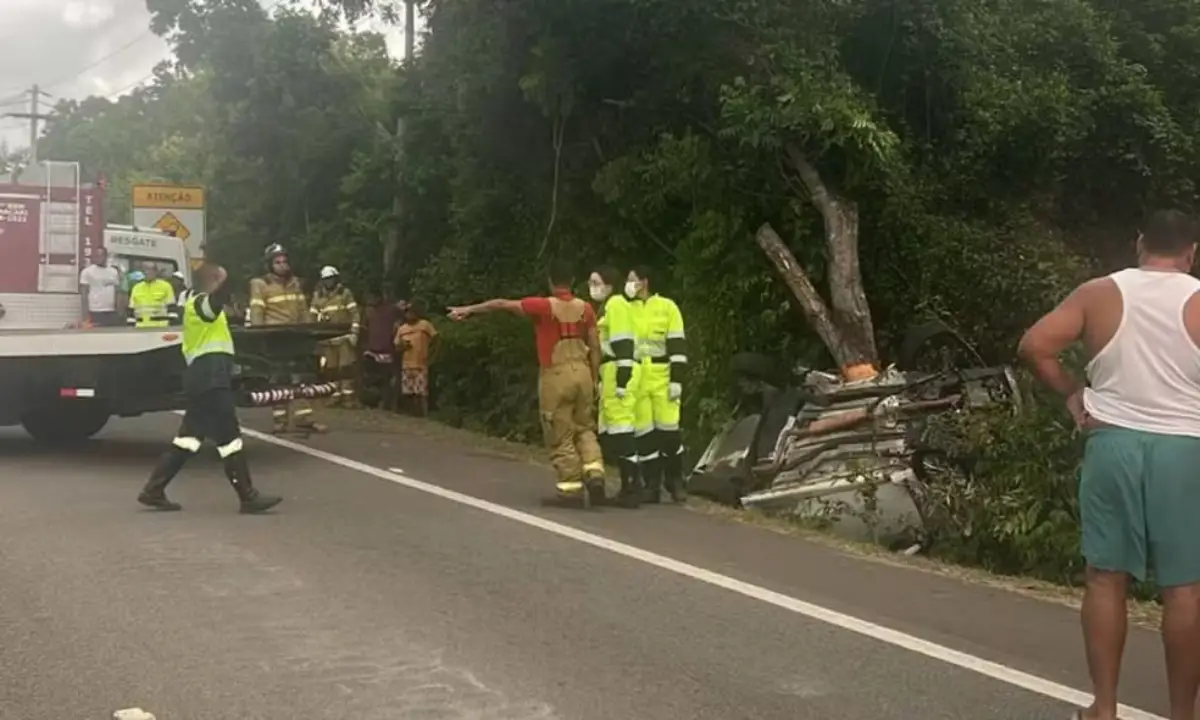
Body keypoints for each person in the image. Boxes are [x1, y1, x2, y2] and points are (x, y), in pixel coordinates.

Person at [1018, 209, 1200, 720]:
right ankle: (1183, 713)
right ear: (1191, 253)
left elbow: (1035, 345)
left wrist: (1074, 395)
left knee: (1105, 578)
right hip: (1184, 450)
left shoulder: (1099, 292)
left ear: (1140, 243)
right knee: (1184, 587)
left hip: (1113, 443)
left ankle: (1103, 707)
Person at [447, 260, 606, 506]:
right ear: (573, 281)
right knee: (584, 427)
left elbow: (501, 304)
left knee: (559, 430)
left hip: (556, 375)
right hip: (583, 373)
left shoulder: (542, 306)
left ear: (551, 282)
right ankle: (595, 471)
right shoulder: (586, 309)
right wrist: (595, 378)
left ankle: (570, 489)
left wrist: (468, 310)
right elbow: (595, 346)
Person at [137, 262, 282, 514]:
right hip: (210, 379)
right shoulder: (200, 303)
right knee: (230, 438)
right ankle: (248, 496)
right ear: (213, 282)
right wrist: (224, 283)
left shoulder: (196, 306)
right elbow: (215, 303)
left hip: (203, 379)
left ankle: (153, 490)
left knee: (188, 439)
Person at [249, 244, 326, 434]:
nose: (283, 265)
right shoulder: (260, 284)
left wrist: (310, 332)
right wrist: (259, 338)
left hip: (296, 336)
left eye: (285, 261)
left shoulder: (295, 283)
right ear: (269, 265)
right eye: (277, 262)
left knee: (302, 379)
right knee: (279, 380)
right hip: (274, 338)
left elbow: (303, 310)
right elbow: (257, 312)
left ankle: (304, 419)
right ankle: (280, 420)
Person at [627, 266, 688, 504]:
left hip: (662, 375)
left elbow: (678, 346)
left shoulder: (667, 307)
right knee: (644, 433)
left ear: (644, 281)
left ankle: (675, 480)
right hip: (637, 375)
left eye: (632, 280)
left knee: (669, 431)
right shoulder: (626, 308)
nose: (629, 284)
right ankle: (651, 484)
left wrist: (677, 379)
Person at [589, 265, 641, 508]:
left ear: (609, 285)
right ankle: (628, 486)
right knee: (615, 431)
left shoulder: (616, 305)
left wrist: (622, 378)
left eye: (597, 283)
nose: (593, 288)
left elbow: (623, 342)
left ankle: (632, 488)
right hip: (610, 372)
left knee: (622, 430)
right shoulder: (608, 307)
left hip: (619, 371)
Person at [310, 265, 361, 405]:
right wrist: (313, 337)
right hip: (327, 339)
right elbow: (312, 317)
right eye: (326, 279)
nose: (328, 282)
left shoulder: (345, 293)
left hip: (344, 337)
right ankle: (334, 394)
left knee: (346, 367)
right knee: (331, 369)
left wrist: (354, 333)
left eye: (331, 279)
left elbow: (355, 314)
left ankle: (348, 396)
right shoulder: (318, 295)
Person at [393, 301, 438, 417]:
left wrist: (433, 356)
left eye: (412, 313)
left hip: (421, 363)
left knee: (421, 392)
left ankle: (424, 415)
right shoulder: (402, 329)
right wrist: (403, 347)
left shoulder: (425, 325)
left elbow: (436, 340)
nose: (409, 316)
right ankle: (412, 415)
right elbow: (396, 347)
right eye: (407, 313)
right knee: (408, 392)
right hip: (407, 364)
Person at [361, 291, 401, 409]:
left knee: (386, 378)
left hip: (386, 349)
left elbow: (399, 321)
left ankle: (386, 404)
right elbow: (364, 328)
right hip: (372, 349)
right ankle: (373, 402)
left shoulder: (390, 309)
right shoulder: (369, 311)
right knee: (371, 377)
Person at [78, 246, 123, 327]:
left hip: (110, 311)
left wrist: (119, 310)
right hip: (95, 311)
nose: (98, 258)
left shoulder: (113, 272)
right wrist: (85, 315)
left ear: (106, 257)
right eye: (96, 256)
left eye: (100, 255)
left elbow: (117, 291)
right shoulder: (87, 272)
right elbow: (84, 294)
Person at [128, 264, 176, 328]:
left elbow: (172, 308)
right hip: (141, 327)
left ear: (156, 272)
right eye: (145, 270)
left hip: (161, 327)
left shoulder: (165, 286)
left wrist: (171, 327)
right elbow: (131, 309)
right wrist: (131, 328)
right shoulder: (136, 288)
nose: (148, 272)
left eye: (151, 270)